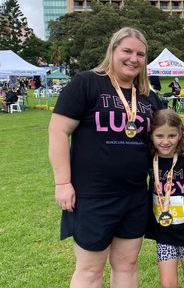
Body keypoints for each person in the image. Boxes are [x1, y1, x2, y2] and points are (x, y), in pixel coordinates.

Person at [48, 27, 163, 288]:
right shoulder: (87, 82)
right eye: (127, 51)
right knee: (90, 271)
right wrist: (62, 182)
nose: (134, 58)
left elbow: (170, 133)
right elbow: (58, 130)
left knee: (127, 265)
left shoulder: (147, 97)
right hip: (93, 196)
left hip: (134, 196)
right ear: (112, 51)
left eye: (140, 54)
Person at [146, 108, 184, 288]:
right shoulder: (148, 157)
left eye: (171, 135)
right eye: (159, 136)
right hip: (164, 230)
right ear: (151, 136)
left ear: (180, 134)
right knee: (167, 283)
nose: (165, 141)